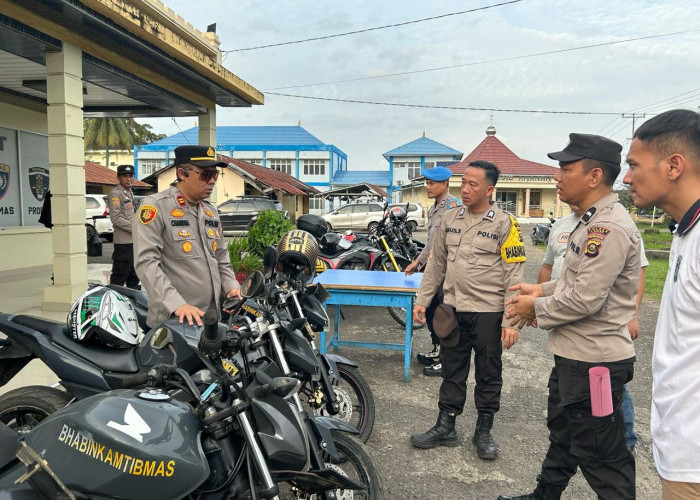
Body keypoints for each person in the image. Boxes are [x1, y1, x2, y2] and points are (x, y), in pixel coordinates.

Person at [499, 134, 640, 500]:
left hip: (595, 364)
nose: (557, 177)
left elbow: (585, 299)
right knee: (563, 434)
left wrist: (536, 309)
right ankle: (544, 495)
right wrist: (540, 291)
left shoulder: (607, 227)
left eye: (565, 169)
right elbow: (573, 280)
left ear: (594, 176)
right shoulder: (587, 221)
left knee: (601, 456)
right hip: (576, 358)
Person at [409, 160, 525, 460]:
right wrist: (422, 300)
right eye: (465, 182)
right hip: (452, 309)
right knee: (452, 369)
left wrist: (511, 321)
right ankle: (446, 425)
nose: (466, 188)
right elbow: (436, 264)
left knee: (488, 372)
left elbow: (514, 275)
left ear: (490, 189)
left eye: (474, 184)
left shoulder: (505, 224)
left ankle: (484, 429)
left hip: (487, 312)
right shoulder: (449, 218)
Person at [623, 109, 700, 499]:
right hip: (682, 451)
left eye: (634, 165)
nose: (627, 177)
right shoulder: (686, 232)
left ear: (674, 165)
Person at [538, 205, 648, 454]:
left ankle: (625, 439)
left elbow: (636, 273)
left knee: (608, 396)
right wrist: (539, 297)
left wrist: (633, 315)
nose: (559, 180)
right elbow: (549, 266)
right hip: (567, 327)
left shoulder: (613, 225)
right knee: (570, 413)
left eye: (567, 171)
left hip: (599, 336)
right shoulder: (563, 224)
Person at [133, 145, 242, 328]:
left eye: (215, 175)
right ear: (182, 173)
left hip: (212, 319)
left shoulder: (210, 212)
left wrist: (231, 286)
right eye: (206, 174)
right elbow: (146, 263)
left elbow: (221, 257)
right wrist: (178, 304)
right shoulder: (155, 206)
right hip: (175, 320)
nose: (212, 181)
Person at [404, 166, 461, 376]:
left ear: (444, 184)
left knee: (445, 315)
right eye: (427, 183)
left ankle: (447, 360)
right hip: (432, 270)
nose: (428, 187)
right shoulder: (434, 208)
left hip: (447, 272)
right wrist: (416, 262)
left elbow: (455, 243)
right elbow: (430, 245)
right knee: (430, 311)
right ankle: (438, 350)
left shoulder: (454, 207)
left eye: (432, 184)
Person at [108, 164, 140, 289]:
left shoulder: (129, 192)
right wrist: (135, 228)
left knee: (134, 275)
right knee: (119, 276)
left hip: (133, 241)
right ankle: (113, 303)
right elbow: (116, 218)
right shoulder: (116, 194)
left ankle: (134, 305)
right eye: (125, 176)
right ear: (118, 178)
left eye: (131, 176)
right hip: (123, 243)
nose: (128, 179)